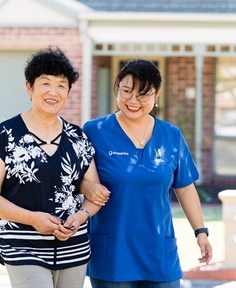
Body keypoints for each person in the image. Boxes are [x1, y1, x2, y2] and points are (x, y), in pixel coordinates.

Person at [0, 45, 108, 288]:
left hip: (73, 247)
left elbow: (95, 193)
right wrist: (33, 219)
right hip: (22, 245)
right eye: (45, 83)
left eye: (61, 85)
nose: (54, 91)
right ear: (30, 87)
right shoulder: (5, 135)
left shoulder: (78, 138)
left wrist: (80, 217)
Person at [82, 58, 213, 288]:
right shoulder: (95, 131)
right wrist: (87, 188)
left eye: (143, 94)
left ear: (156, 95)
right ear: (117, 88)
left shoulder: (171, 136)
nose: (133, 101)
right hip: (112, 255)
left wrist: (200, 232)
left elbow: (185, 188)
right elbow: (77, 180)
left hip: (159, 253)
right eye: (126, 91)